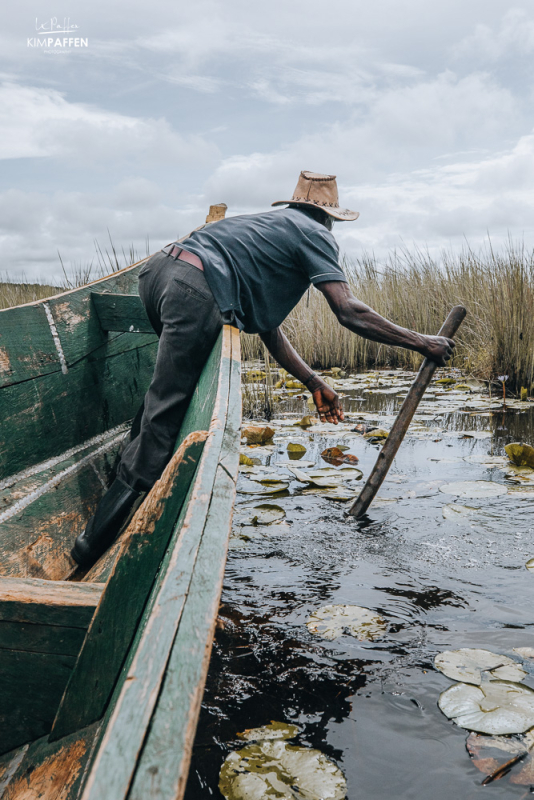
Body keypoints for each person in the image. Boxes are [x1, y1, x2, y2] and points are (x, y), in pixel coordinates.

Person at [72, 170, 454, 567]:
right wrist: (423, 342)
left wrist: (312, 381)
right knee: (166, 417)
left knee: (164, 396)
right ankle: (92, 547)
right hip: (193, 289)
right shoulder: (314, 233)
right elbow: (348, 311)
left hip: (158, 274)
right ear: (329, 218)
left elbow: (270, 330)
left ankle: (120, 488)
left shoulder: (267, 227)